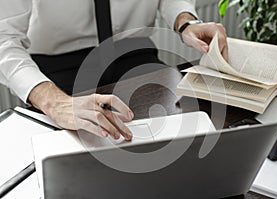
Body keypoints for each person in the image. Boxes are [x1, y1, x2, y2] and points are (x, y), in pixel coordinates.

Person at [0, 0, 228, 141]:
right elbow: (4, 40)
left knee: (189, 131)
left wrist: (186, 22)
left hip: (133, 53)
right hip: (57, 68)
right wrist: (54, 103)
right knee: (75, 160)